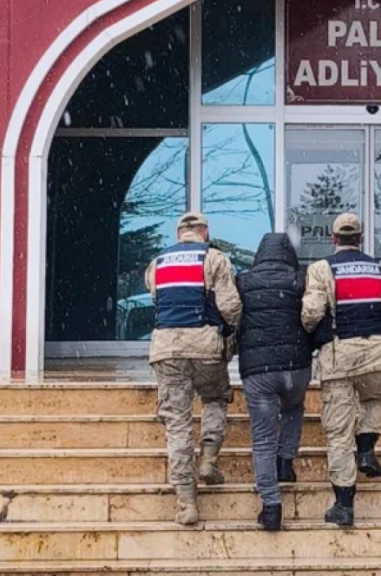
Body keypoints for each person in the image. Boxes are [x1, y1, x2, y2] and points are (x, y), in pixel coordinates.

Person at [145, 211, 242, 526]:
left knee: (177, 425)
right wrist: (233, 332)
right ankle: (209, 461)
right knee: (214, 398)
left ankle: (187, 502)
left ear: (178, 235)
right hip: (205, 345)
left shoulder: (156, 264)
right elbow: (230, 306)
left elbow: (156, 299)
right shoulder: (214, 258)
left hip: (166, 348)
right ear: (205, 232)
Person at [302, 213, 381, 527]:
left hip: (340, 355)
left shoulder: (321, 269)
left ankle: (344, 503)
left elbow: (312, 312)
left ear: (333, 239)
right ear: (360, 238)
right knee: (371, 400)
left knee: (338, 432)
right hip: (377, 350)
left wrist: (307, 331)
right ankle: (367, 450)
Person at [236, 233, 313, 532]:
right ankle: (286, 462)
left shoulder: (243, 282)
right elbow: (311, 316)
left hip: (259, 371)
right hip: (296, 367)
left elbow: (234, 317)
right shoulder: (299, 280)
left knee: (262, 437)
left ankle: (271, 507)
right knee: (293, 407)